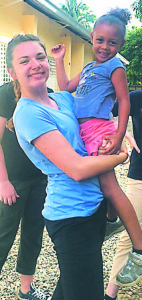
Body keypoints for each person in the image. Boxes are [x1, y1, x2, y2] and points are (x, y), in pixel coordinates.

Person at [6, 33, 129, 300]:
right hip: (71, 216)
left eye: (40, 57)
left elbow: (94, 120)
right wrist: (120, 156)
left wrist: (119, 133)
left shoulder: (62, 99)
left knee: (72, 289)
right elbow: (76, 168)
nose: (35, 64)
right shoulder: (27, 113)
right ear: (12, 72)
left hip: (93, 208)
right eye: (24, 60)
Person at [51, 7, 142, 281]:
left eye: (112, 42)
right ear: (92, 37)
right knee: (102, 184)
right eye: (100, 40)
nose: (105, 46)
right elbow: (65, 87)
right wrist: (59, 59)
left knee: (110, 186)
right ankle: (111, 220)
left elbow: (124, 101)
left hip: (100, 129)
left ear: (120, 45)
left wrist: (118, 134)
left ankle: (138, 249)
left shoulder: (116, 67)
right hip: (85, 131)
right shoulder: (90, 67)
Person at [0, 81, 52, 300]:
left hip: (41, 179)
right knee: (3, 235)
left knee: (33, 235)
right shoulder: (5, 93)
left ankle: (26, 289)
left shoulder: (49, 95)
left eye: (40, 58)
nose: (35, 66)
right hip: (13, 181)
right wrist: (3, 181)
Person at [105, 90, 142, 300]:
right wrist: (120, 131)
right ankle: (111, 293)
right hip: (140, 175)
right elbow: (98, 111)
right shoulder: (137, 98)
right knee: (130, 231)